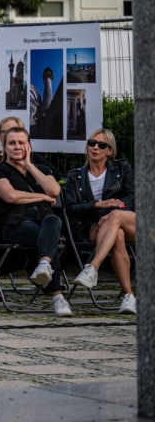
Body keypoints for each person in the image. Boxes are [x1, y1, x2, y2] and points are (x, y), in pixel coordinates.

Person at [0, 127, 73, 316]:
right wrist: (41, 197)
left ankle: (44, 264)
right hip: (15, 224)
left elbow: (54, 191)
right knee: (48, 239)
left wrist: (29, 165)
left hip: (43, 219)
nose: (17, 147)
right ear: (4, 147)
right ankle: (58, 296)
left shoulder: (40, 169)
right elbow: (11, 197)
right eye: (12, 143)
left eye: (21, 143)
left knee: (53, 220)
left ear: (29, 146)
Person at [65, 128, 136, 314]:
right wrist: (97, 205)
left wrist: (113, 211)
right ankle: (129, 297)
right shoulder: (75, 175)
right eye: (91, 143)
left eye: (101, 145)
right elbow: (71, 208)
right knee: (117, 236)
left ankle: (92, 267)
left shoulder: (123, 168)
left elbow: (133, 196)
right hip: (94, 226)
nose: (95, 147)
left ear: (109, 151)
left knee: (116, 217)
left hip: (129, 219)